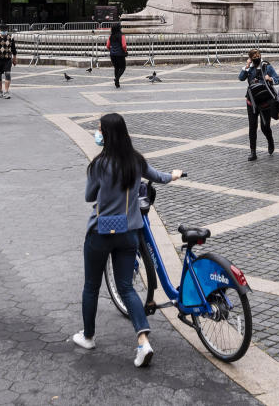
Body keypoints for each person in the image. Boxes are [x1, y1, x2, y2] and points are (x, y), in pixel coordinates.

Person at [73, 113, 183, 368]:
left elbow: (90, 196)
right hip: (129, 233)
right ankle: (143, 341)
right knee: (126, 287)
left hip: (100, 233)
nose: (96, 132)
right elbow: (159, 177)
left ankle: (88, 336)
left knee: (91, 286)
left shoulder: (99, 165)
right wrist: (174, 175)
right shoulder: (136, 161)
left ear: (107, 135)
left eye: (99, 129)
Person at [239, 49, 278, 160]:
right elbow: (241, 78)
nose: (256, 57)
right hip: (252, 101)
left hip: (265, 101)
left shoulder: (266, 67)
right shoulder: (249, 68)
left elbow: (277, 79)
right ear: (250, 58)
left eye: (258, 55)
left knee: (265, 126)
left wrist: (269, 78)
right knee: (252, 126)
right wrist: (246, 66)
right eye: (254, 56)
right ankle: (253, 152)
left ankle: (270, 140)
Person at [0, 30, 18, 98]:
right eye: (2, 30)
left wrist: (14, 59)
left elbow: (14, 50)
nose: (4, 32)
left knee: (7, 74)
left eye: (5, 30)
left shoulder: (11, 38)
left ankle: (6, 91)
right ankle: (0, 91)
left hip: (7, 59)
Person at [107, 23, 127, 88]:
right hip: (120, 54)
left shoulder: (111, 36)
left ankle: (117, 83)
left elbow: (107, 45)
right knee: (123, 67)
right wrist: (125, 51)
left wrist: (111, 50)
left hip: (112, 54)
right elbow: (124, 45)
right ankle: (117, 79)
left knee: (116, 68)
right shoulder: (122, 36)